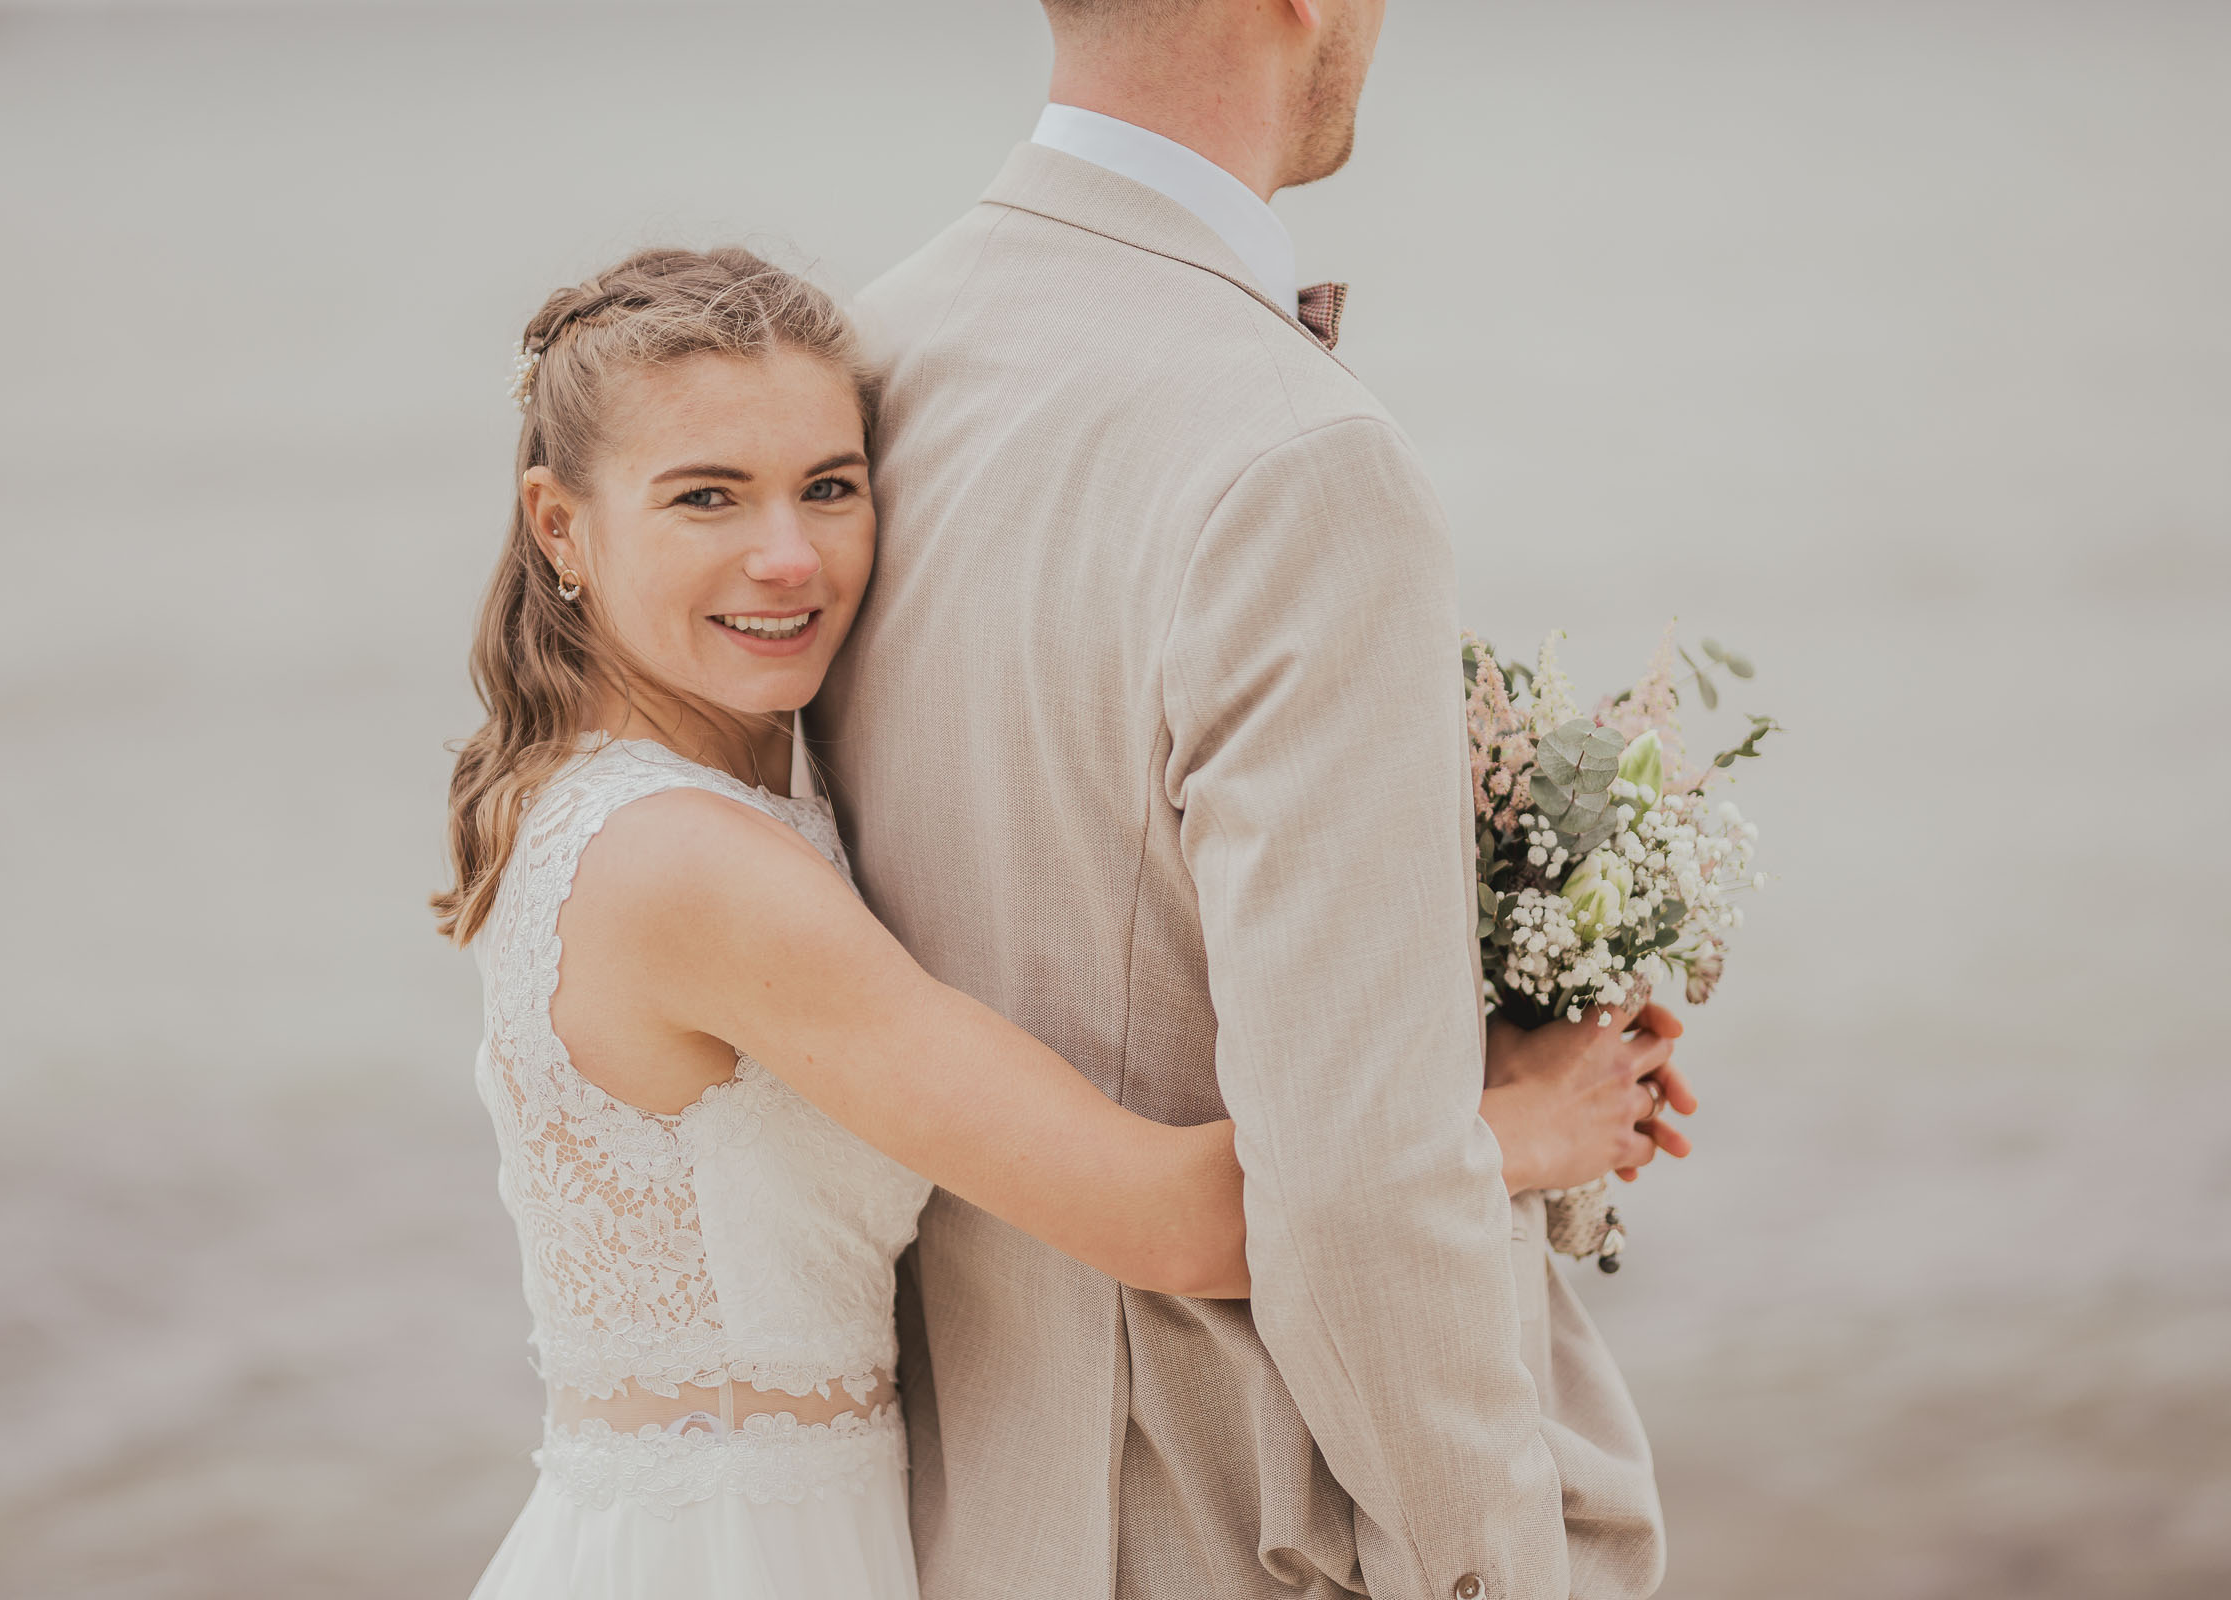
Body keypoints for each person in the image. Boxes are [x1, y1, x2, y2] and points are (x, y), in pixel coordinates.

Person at [440, 244, 1686, 1598]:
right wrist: (1511, 1129)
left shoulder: (640, 797)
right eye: (707, 498)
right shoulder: (688, 865)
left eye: (831, 487)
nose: (788, 556)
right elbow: (1162, 1220)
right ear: (559, 525)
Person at [814, 2, 1689, 1597]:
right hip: (1225, 1534)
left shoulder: (862, 363)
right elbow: (1355, 1190)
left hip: (952, 1527)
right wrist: (1500, 1563)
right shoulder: (1297, 462)